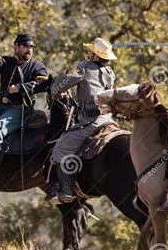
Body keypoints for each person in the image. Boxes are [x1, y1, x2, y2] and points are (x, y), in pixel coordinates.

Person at [47, 37, 117, 204]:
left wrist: (56, 90)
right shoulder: (110, 73)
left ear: (94, 55)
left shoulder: (83, 67)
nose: (87, 53)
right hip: (108, 120)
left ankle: (66, 192)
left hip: (90, 122)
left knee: (60, 150)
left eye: (90, 51)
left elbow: (56, 88)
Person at [0, 25, 50, 169]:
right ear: (16, 47)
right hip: (2, 107)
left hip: (20, 109)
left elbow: (44, 83)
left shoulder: (36, 66)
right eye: (26, 46)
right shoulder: (8, 62)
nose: (29, 50)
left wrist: (20, 88)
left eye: (31, 47)